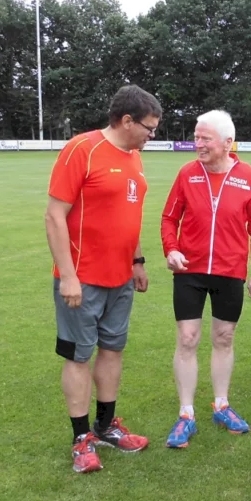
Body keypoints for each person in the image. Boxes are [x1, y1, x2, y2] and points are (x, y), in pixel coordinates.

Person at [45, 84, 163, 473]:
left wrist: (138, 260)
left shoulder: (134, 157)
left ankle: (106, 425)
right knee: (80, 355)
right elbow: (54, 215)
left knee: (113, 350)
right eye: (149, 128)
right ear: (127, 120)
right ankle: (81, 440)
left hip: (121, 278)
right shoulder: (83, 149)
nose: (151, 135)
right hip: (83, 280)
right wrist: (68, 276)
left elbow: (125, 215)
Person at [160, 110, 251, 448]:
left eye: (205, 138)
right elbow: (168, 219)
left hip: (229, 271)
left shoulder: (246, 175)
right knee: (188, 338)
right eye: (197, 136)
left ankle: (222, 405)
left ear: (227, 142)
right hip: (189, 271)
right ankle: (186, 414)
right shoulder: (187, 174)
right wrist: (171, 249)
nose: (198, 144)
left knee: (223, 337)